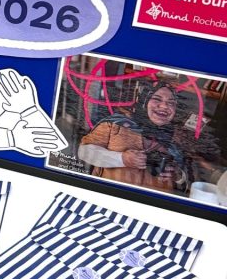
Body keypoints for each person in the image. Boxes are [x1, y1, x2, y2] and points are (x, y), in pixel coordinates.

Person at [77, 81, 212, 194]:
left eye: (171, 103)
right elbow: (84, 152)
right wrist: (122, 159)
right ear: (143, 101)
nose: (164, 106)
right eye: (157, 99)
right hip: (111, 198)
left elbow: (191, 181)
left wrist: (177, 176)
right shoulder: (115, 125)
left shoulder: (178, 138)